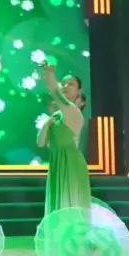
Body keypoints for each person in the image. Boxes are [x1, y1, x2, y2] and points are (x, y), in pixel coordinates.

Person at [39, 62, 91, 216]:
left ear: (78, 92)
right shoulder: (56, 117)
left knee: (70, 205)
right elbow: (41, 142)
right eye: (64, 83)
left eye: (71, 84)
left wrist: (49, 75)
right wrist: (47, 124)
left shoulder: (73, 111)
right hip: (56, 163)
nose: (66, 86)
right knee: (58, 208)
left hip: (70, 164)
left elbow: (55, 92)